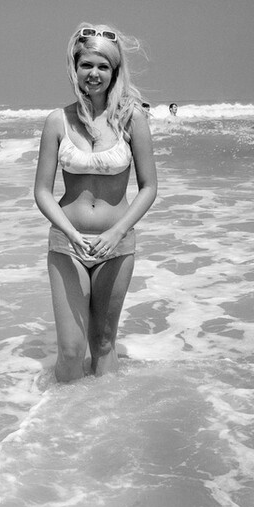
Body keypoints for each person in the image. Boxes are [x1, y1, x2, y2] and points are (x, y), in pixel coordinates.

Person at [34, 23, 158, 382]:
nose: (94, 73)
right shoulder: (57, 121)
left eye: (103, 66)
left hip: (115, 246)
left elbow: (149, 187)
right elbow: (42, 191)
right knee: (72, 351)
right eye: (86, 64)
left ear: (114, 71)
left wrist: (117, 232)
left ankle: (104, 414)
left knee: (103, 343)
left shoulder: (132, 120)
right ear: (75, 68)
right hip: (67, 243)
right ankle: (60, 414)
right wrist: (70, 232)